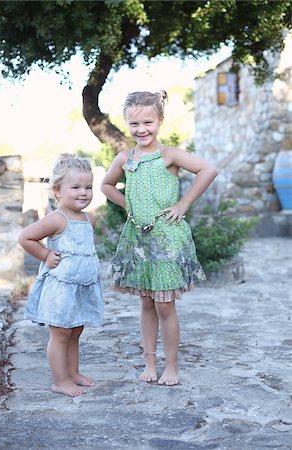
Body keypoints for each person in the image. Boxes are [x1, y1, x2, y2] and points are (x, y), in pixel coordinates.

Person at [101, 90, 218, 386]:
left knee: (165, 304)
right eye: (134, 124)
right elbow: (106, 185)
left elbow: (208, 169)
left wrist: (184, 204)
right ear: (127, 124)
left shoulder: (169, 155)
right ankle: (149, 362)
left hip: (167, 238)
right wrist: (129, 204)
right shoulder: (125, 157)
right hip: (138, 240)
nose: (141, 130)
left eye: (148, 123)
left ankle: (172, 367)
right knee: (146, 303)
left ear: (160, 121)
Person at [18, 153, 103, 397]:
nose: (83, 192)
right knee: (61, 334)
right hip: (62, 289)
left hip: (82, 287)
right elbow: (25, 237)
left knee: (76, 331)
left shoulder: (89, 219)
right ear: (57, 190)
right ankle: (60, 380)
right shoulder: (57, 219)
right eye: (75, 187)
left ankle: (73, 373)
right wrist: (45, 254)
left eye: (88, 187)